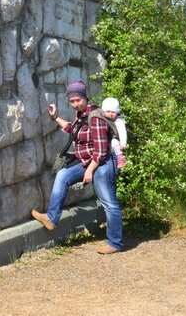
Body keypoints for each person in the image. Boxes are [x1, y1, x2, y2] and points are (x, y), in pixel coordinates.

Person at [31, 80, 124, 254]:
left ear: (85, 97)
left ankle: (115, 243)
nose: (75, 104)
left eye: (78, 100)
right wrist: (55, 117)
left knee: (109, 202)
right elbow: (73, 130)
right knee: (63, 176)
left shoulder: (95, 117)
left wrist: (89, 171)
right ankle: (52, 218)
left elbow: (102, 151)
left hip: (101, 163)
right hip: (88, 161)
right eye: (72, 101)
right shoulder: (81, 115)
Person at [101, 97, 127, 169]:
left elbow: (122, 132)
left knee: (114, 142)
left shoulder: (119, 121)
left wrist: (123, 143)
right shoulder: (102, 118)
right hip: (106, 141)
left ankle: (120, 158)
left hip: (115, 138)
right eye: (108, 111)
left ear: (117, 112)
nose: (110, 114)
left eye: (113, 112)